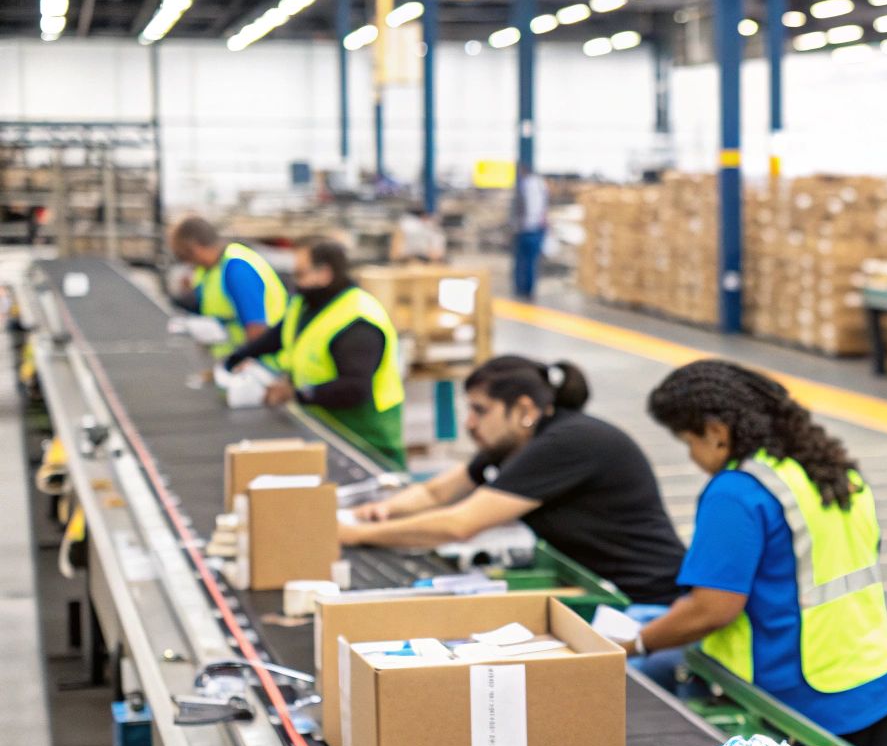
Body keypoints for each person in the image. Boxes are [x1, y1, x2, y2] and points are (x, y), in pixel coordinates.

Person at [638, 360, 887, 746]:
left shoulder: (736, 492)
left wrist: (636, 642)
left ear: (716, 431)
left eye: (689, 441)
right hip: (875, 687)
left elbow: (712, 609)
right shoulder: (833, 472)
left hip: (795, 709)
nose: (691, 456)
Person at [339, 356, 687, 613]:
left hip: (646, 603)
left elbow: (460, 524)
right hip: (600, 591)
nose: (469, 423)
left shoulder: (566, 443)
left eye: (480, 410)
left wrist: (356, 534)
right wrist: (378, 511)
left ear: (524, 409)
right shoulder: (515, 443)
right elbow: (436, 492)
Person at [224, 239, 407, 466]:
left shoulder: (358, 319)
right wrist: (237, 357)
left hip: (364, 437)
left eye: (300, 274)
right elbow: (278, 336)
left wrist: (296, 393)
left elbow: (355, 388)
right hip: (325, 425)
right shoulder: (306, 304)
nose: (295, 281)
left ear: (325, 273)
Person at [167, 214, 286, 351]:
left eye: (183, 256)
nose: (187, 263)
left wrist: (241, 359)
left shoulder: (237, 268)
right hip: (236, 358)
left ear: (195, 248)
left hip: (261, 361)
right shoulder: (209, 272)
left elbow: (257, 328)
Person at [511, 169, 549, 298]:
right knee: (531, 262)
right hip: (535, 230)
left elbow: (516, 210)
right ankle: (528, 290)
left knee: (522, 262)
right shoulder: (541, 186)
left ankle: (521, 290)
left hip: (525, 230)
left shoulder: (523, 187)